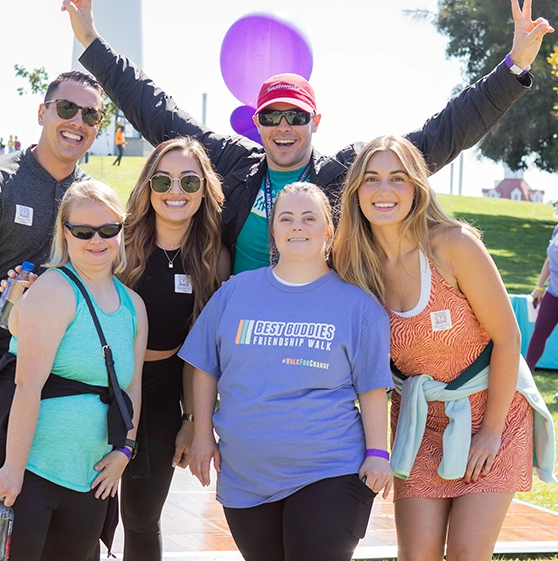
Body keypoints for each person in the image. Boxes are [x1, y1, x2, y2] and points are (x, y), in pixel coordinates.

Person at [63, 0, 553, 273]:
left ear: (314, 121)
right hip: (236, 331)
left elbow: (442, 134)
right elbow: (157, 110)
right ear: (256, 122)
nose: (282, 127)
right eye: (271, 117)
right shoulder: (232, 163)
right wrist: (91, 44)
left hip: (316, 335)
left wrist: (512, 70)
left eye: (294, 117)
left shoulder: (345, 174)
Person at [333, 135, 555, 561]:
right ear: (356, 191)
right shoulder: (353, 265)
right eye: (371, 179)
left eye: (397, 178)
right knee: (416, 556)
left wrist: (490, 433)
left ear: (416, 186)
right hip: (420, 425)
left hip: (495, 416)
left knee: (467, 556)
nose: (383, 191)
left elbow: (508, 339)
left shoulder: (452, 246)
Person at [181, 181, 393, 561]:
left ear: (328, 231)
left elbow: (373, 387)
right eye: (287, 218)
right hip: (246, 476)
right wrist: (201, 435)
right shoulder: (235, 292)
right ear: (274, 230)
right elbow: (203, 366)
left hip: (328, 470)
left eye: (309, 218)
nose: (298, 226)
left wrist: (378, 452)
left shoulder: (358, 306)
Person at [0, 179, 147, 560]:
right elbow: (26, 386)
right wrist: (12, 469)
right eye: (83, 231)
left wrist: (125, 450)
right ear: (66, 233)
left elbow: (133, 387)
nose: (97, 240)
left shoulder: (134, 306)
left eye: (109, 229)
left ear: (122, 230)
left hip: (90, 477)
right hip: (32, 472)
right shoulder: (54, 290)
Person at [0, 70, 104, 560]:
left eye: (90, 115)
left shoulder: (95, 201)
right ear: (43, 113)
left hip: (50, 383)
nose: (76, 122)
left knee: (12, 519)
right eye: (67, 108)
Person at [116, 136, 230, 560]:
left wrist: (191, 419)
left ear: (205, 190)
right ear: (148, 187)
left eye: (188, 181)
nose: (175, 191)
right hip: (103, 386)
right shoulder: (118, 242)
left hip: (164, 390)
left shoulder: (212, 258)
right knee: (86, 511)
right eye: (163, 181)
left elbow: (199, 351)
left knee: (143, 519)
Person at [525, 224, 558, 371]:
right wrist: (539, 287)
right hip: (553, 293)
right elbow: (550, 259)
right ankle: (523, 381)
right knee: (538, 334)